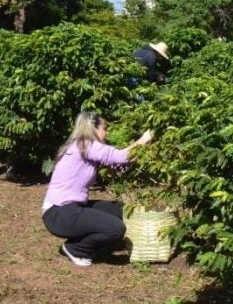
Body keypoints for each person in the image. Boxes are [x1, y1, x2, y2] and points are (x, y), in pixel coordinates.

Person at [41, 111, 154, 267]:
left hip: (71, 208)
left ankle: (87, 242)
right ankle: (75, 248)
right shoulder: (85, 144)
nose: (105, 132)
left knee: (123, 210)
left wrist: (139, 153)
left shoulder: (82, 146)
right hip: (58, 213)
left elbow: (120, 164)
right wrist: (144, 139)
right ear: (93, 128)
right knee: (116, 228)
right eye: (104, 128)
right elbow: (120, 156)